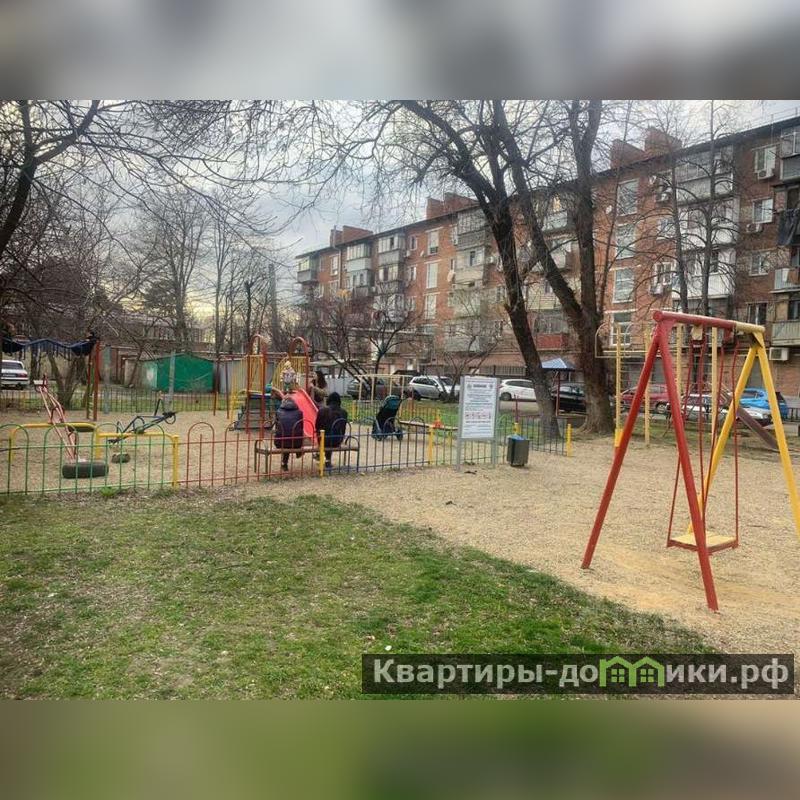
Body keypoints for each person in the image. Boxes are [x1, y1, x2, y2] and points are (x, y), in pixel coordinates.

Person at [315, 392, 348, 469]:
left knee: (324, 434)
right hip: (337, 440)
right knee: (331, 434)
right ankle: (327, 460)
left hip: (323, 440)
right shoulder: (344, 412)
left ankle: (321, 456)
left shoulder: (322, 411)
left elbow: (317, 426)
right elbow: (343, 428)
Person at [274, 395, 304, 471]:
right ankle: (298, 452)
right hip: (296, 442)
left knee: (285, 437)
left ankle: (284, 463)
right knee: (294, 435)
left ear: (283, 402)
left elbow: (277, 427)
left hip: (280, 442)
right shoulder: (299, 413)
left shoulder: (278, 412)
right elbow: (301, 426)